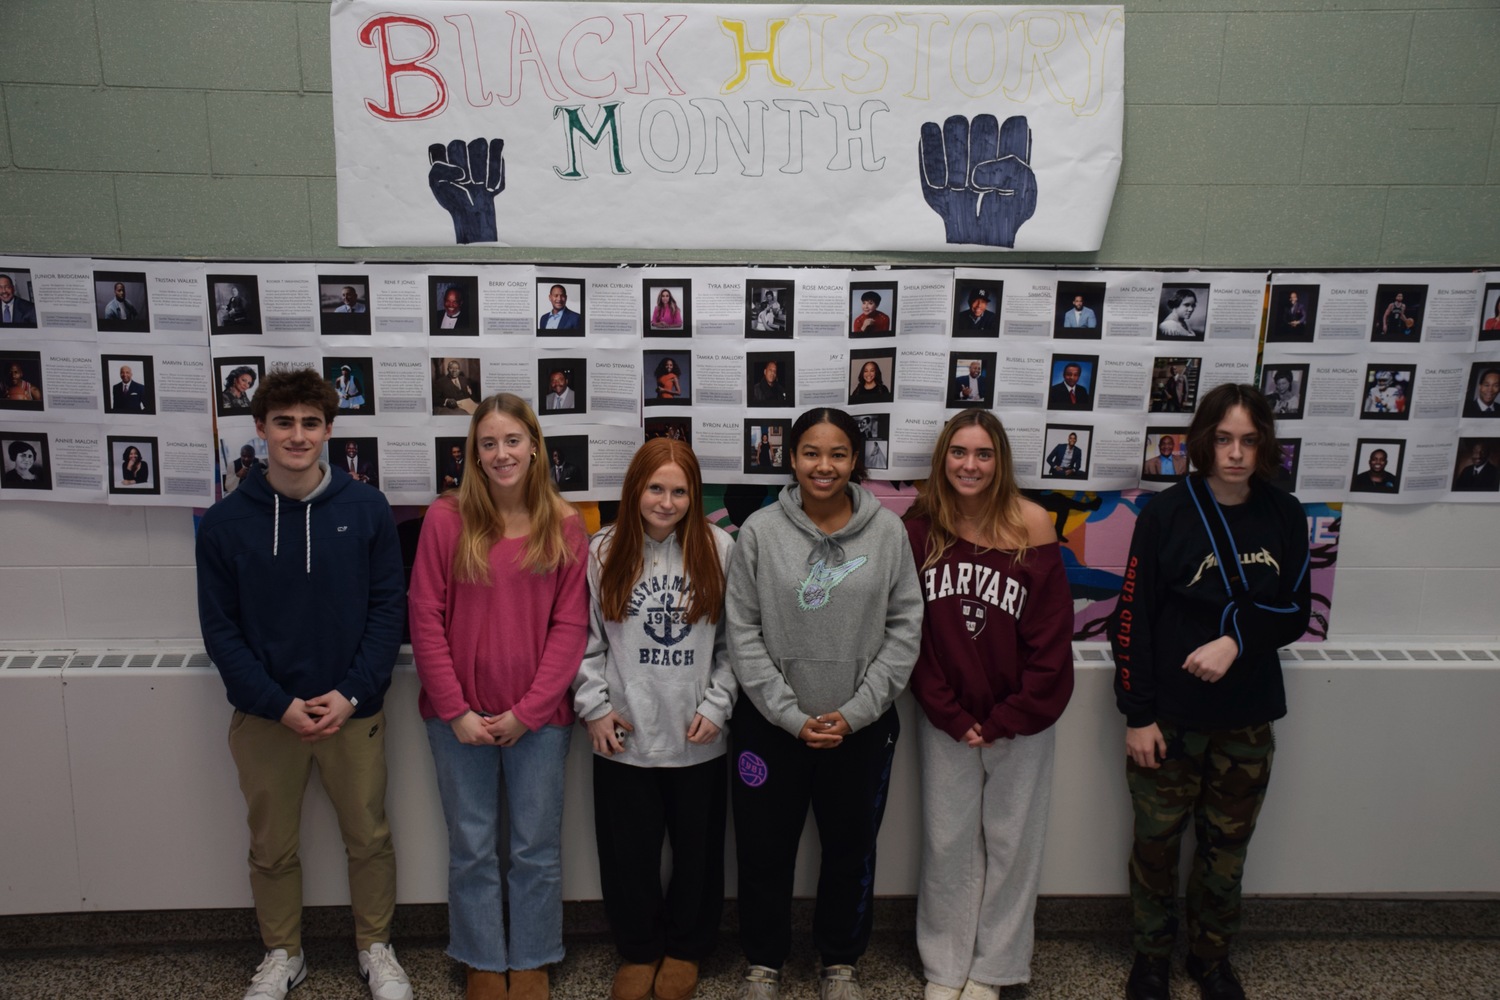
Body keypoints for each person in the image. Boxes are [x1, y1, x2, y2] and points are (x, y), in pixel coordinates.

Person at [194, 367, 412, 1000]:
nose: (296, 435)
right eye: (283, 422)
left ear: (329, 430)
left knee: (369, 837)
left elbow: (385, 612)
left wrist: (349, 693)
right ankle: (282, 954)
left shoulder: (368, 510)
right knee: (270, 846)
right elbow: (221, 633)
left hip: (355, 709)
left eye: (310, 423)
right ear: (260, 429)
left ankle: (376, 948)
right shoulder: (224, 524)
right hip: (267, 719)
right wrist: (278, 703)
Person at [1109, 383, 1311, 1000]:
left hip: (1247, 716)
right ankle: (1149, 960)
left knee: (1227, 849)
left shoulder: (1285, 513)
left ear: (1264, 446)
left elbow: (1295, 611)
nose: (1236, 454)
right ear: (1203, 442)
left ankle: (1211, 958)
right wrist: (1137, 715)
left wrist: (1236, 641)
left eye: (1249, 440)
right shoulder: (1166, 514)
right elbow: (1132, 619)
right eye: (1223, 439)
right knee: (1156, 844)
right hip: (1169, 717)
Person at [725, 406, 922, 1000]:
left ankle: (840, 960)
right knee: (764, 848)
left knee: (851, 848)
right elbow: (742, 633)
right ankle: (764, 961)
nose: (824, 465)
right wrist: (789, 714)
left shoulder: (888, 533)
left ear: (855, 461)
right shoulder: (759, 532)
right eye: (811, 452)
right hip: (769, 726)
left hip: (859, 725)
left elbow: (905, 628)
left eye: (838, 453)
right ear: (791, 458)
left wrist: (858, 709)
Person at [408, 392, 588, 1000]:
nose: (502, 453)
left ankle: (533, 956)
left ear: (535, 446)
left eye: (513, 440)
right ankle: (482, 955)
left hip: (539, 720)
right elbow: (424, 617)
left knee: (535, 846)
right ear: (474, 454)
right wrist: (456, 709)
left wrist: (529, 711)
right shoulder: (445, 518)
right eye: (489, 443)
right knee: (473, 845)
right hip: (455, 718)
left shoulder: (564, 522)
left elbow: (570, 628)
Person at [902, 410, 1073, 1000]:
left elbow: (1052, 640)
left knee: (1012, 843)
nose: (969, 465)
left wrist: (1008, 718)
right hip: (947, 719)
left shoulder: (1034, 523)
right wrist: (949, 713)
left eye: (982, 454)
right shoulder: (921, 526)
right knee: (948, 841)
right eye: (958, 452)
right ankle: (945, 966)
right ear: (942, 458)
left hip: (1020, 721)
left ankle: (997, 968)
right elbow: (912, 635)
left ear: (1000, 460)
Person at [574, 438, 735, 1000]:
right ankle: (639, 950)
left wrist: (718, 704)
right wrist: (593, 706)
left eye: (679, 491)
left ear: (694, 494)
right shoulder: (601, 551)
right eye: (655, 488)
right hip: (624, 732)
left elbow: (735, 645)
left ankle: (688, 949)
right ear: (635, 490)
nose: (666, 502)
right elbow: (584, 641)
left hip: (697, 733)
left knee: (698, 850)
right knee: (629, 854)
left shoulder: (719, 549)